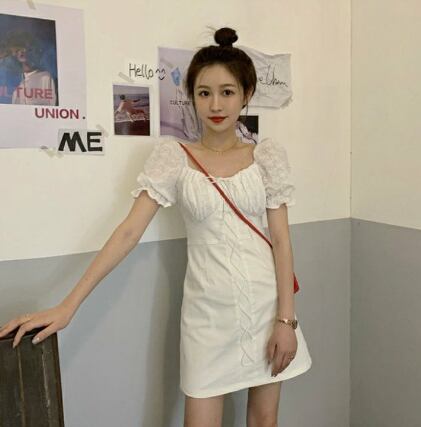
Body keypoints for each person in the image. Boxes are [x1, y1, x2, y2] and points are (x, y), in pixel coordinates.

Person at [0, 27, 312, 426]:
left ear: (246, 94)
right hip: (206, 316)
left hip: (268, 309)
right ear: (192, 96)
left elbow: (281, 241)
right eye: (204, 93)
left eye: (227, 92)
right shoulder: (174, 156)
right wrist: (68, 305)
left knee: (264, 422)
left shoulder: (266, 156)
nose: (216, 104)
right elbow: (129, 232)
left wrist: (286, 320)